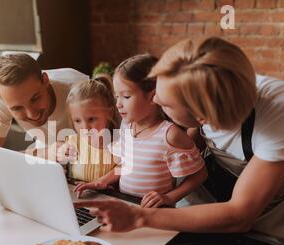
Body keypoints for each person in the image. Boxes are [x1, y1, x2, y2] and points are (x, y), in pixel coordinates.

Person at [75, 37, 284, 242]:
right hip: (218, 185)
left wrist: (140, 217)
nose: (155, 103)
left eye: (163, 104)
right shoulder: (201, 93)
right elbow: (193, 140)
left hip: (268, 208)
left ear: (202, 116)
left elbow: (239, 215)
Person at [74, 54, 207, 208]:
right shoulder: (126, 126)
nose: (118, 104)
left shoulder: (169, 135)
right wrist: (100, 182)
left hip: (156, 213)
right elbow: (125, 164)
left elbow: (200, 174)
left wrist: (170, 197)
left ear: (152, 97)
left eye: (126, 96)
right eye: (117, 96)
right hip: (127, 206)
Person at [0, 53, 88, 165]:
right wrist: (46, 153)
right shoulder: (2, 98)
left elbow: (101, 149)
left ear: (45, 81)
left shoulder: (80, 90)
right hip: (45, 157)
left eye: (35, 98)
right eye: (17, 108)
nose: (32, 114)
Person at [57, 75, 120, 182]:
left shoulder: (118, 146)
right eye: (77, 121)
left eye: (91, 119)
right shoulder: (71, 143)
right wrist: (60, 160)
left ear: (109, 113)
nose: (85, 128)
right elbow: (59, 170)